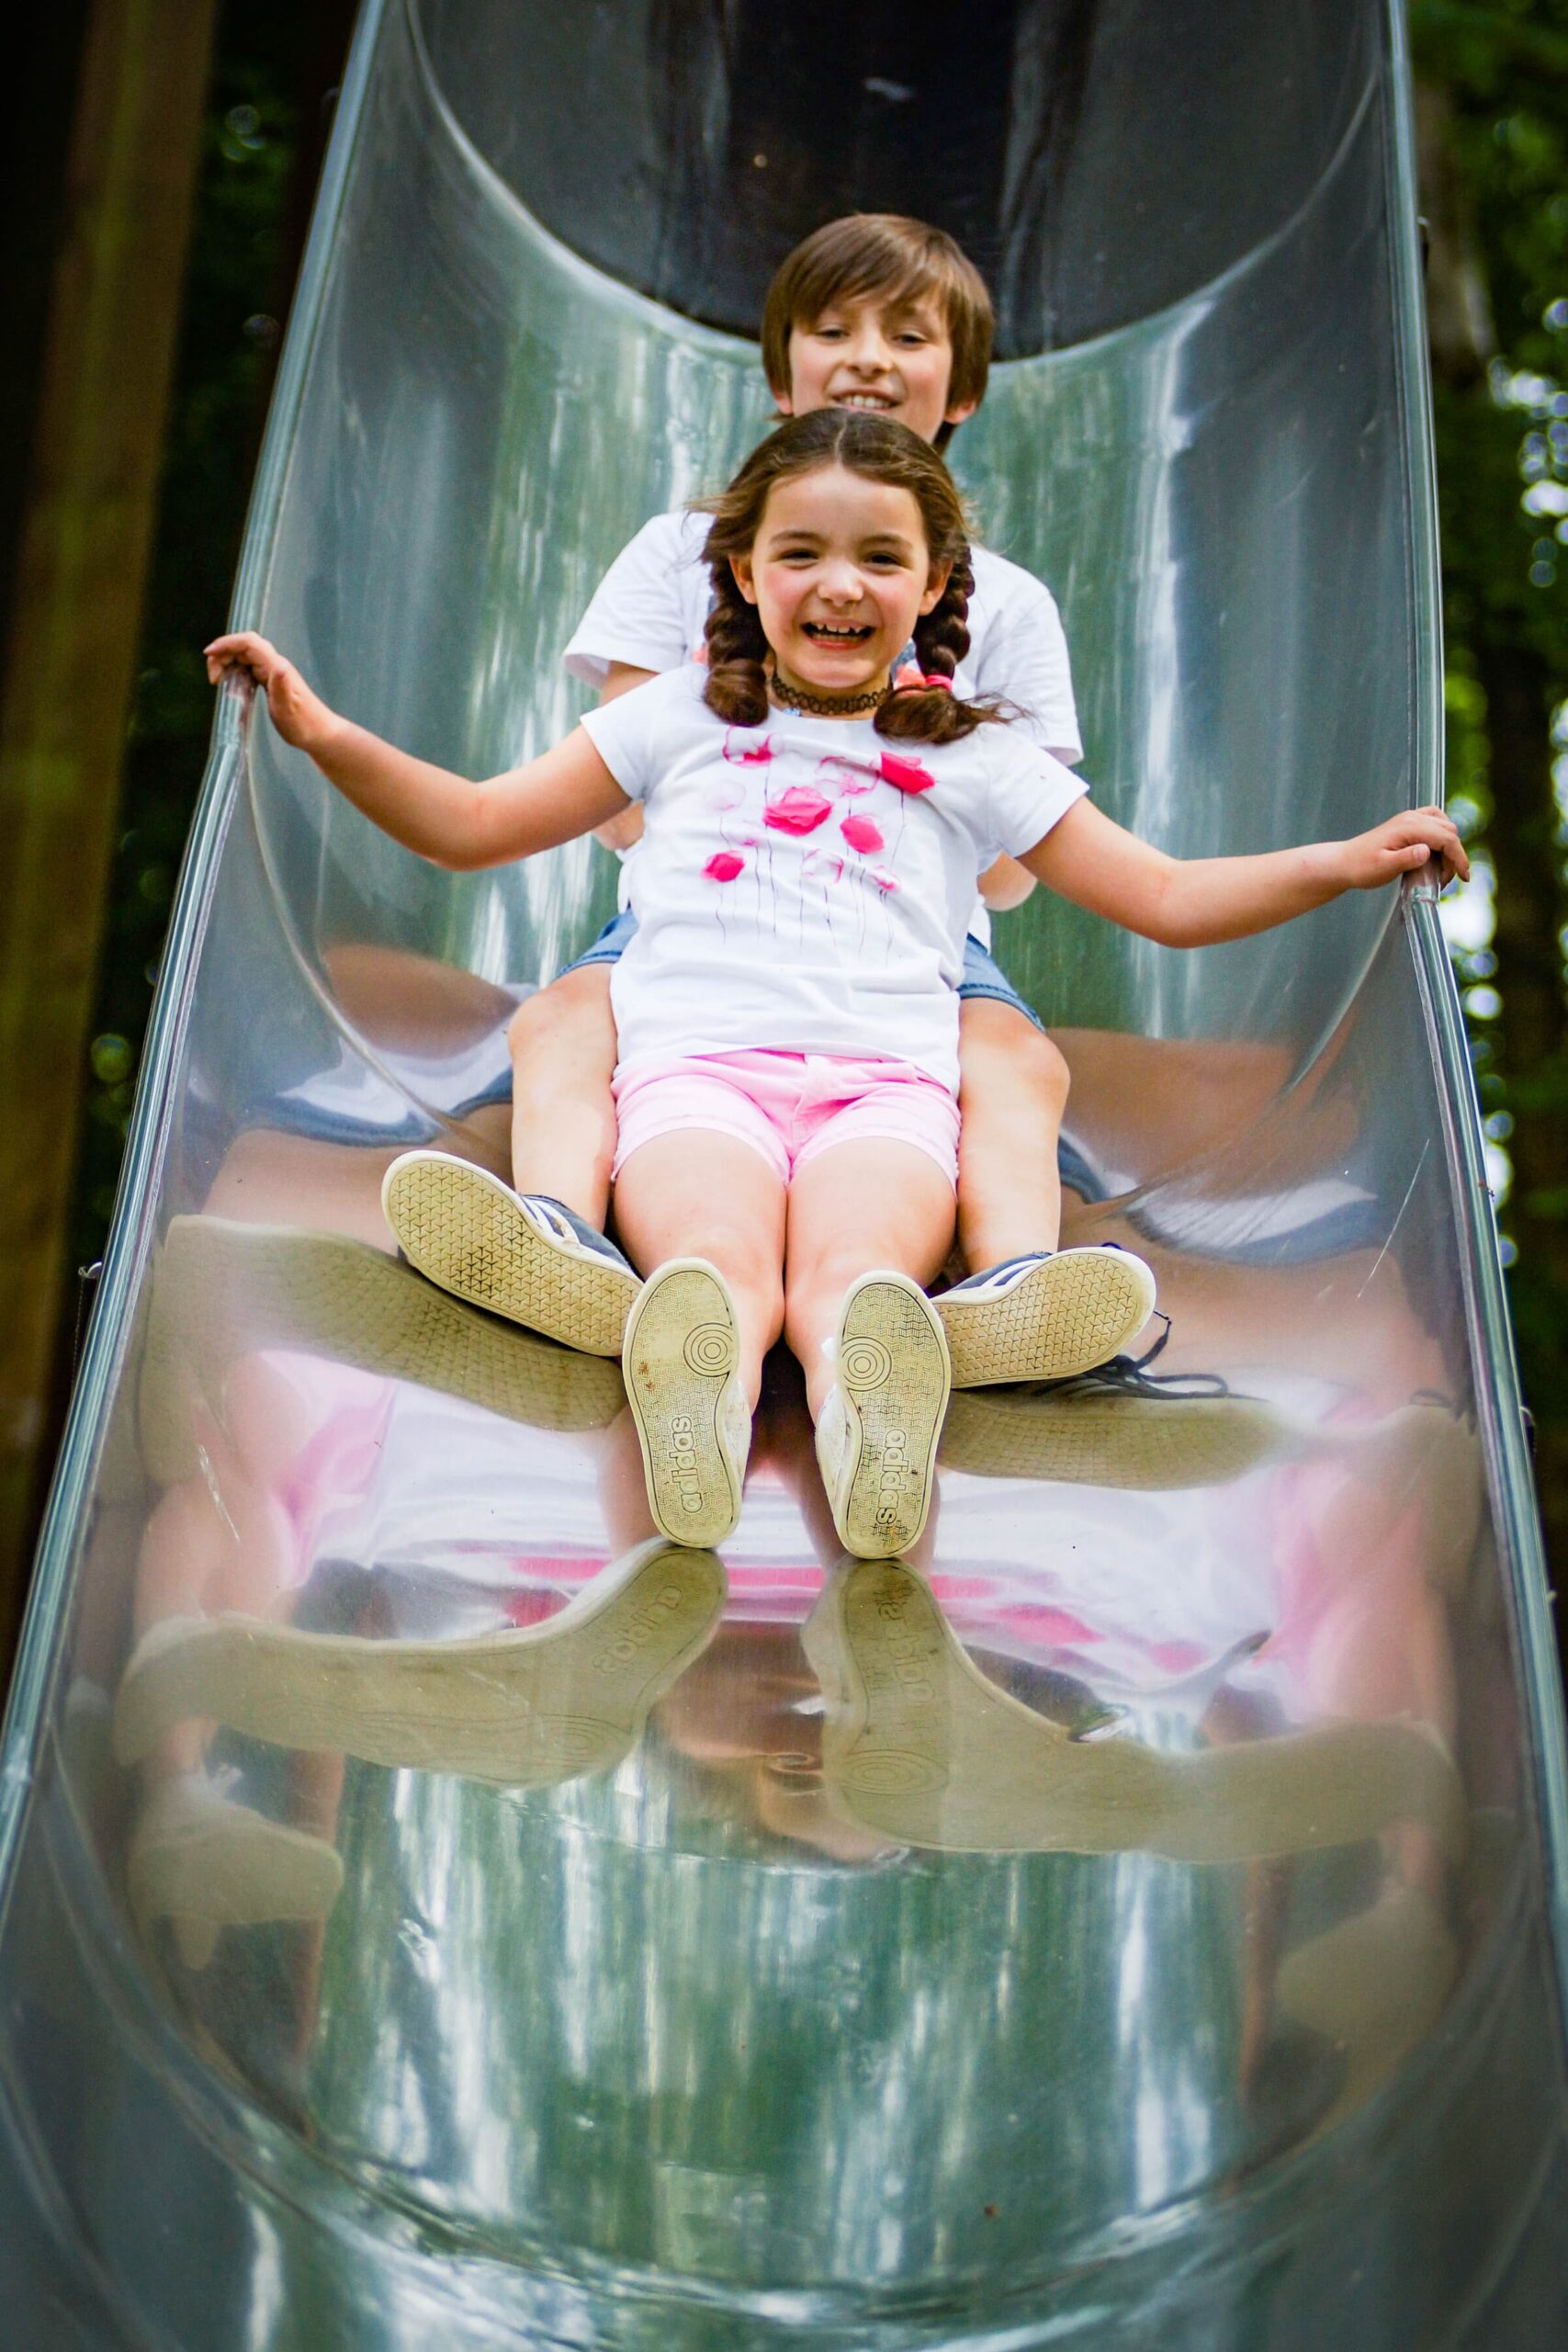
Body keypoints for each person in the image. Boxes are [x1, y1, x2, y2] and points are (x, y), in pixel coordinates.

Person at [205, 409, 1464, 1561]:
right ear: (745, 577)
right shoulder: (678, 716)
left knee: (859, 1277)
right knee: (713, 1259)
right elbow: (476, 822)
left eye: (878, 556)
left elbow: (1166, 897)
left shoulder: (980, 756)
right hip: (695, 1075)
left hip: (889, 1095)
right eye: (800, 551)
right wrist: (323, 733)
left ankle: (880, 1421)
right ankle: (685, 1383)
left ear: (930, 589)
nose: (839, 581)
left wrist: (1342, 862)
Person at [481, 212, 1140, 1393]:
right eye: (831, 329)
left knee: (1016, 1060)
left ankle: (1009, 1292)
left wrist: (906, 780)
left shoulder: (1009, 606)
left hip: (916, 943)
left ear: (966, 392)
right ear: (782, 375)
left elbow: (1015, 873)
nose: (870, 356)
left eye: (909, 334)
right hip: (693, 925)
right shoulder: (687, 550)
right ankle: (558, 1241)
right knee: (562, 1022)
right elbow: (622, 796)